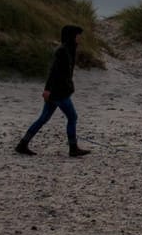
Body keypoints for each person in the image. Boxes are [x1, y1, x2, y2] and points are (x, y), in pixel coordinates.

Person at [15, 24, 89, 157]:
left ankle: (22, 144)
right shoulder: (62, 51)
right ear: (71, 36)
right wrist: (48, 89)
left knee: (43, 118)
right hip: (59, 92)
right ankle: (73, 148)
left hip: (60, 91)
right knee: (72, 117)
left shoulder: (70, 49)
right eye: (78, 35)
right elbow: (53, 72)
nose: (79, 38)